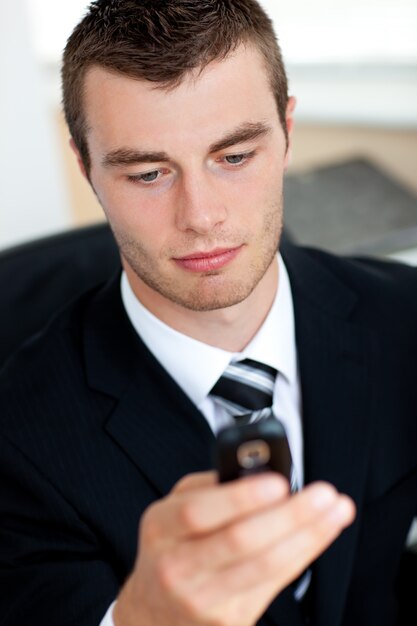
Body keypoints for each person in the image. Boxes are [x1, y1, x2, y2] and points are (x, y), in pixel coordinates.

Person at [0, 1, 416, 625]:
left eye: (235, 157)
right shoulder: (17, 436)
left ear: (287, 132)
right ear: (87, 168)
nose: (201, 216)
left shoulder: (404, 316)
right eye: (147, 173)